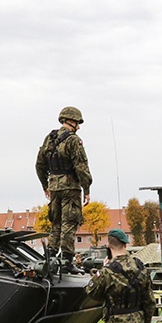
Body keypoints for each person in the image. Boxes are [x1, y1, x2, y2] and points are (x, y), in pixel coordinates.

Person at [35, 106, 92, 273]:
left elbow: (39, 165)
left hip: (53, 186)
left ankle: (51, 258)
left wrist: (45, 185)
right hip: (70, 187)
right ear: (72, 121)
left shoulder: (49, 139)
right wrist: (86, 188)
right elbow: (81, 166)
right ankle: (66, 260)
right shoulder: (74, 140)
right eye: (78, 123)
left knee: (56, 223)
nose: (79, 126)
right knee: (69, 222)